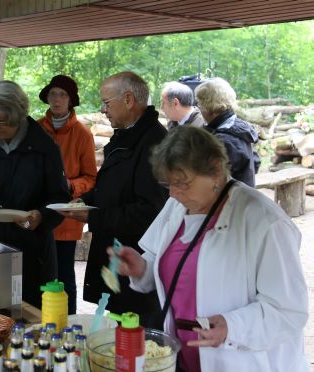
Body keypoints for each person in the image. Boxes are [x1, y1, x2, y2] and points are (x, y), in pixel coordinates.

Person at [113, 126, 308, 372]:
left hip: (245, 363)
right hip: (183, 359)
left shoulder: (265, 222)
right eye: (168, 183)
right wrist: (141, 268)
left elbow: (289, 310)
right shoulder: (178, 206)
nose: (173, 193)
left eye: (182, 182)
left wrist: (232, 326)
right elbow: (163, 263)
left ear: (216, 170)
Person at [61, 71, 168, 328]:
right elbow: (113, 188)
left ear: (129, 99)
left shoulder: (154, 143)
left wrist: (94, 216)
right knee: (117, 328)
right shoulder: (127, 136)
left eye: (107, 103)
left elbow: (149, 211)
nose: (103, 109)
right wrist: (86, 200)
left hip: (137, 262)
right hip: (117, 258)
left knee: (135, 334)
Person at [0, 81, 70, 307]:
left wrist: (39, 216)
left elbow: (60, 199)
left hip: (30, 247)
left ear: (18, 115)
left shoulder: (44, 148)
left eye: (2, 121)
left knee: (28, 318)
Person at [36, 75, 96, 315]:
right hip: (37, 213)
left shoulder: (83, 134)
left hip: (66, 215)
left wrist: (69, 187)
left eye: (62, 94)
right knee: (38, 274)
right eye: (53, 94)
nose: (57, 99)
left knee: (64, 277)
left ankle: (68, 324)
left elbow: (91, 178)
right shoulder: (36, 129)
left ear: (71, 100)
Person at [195, 77, 259, 187]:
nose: (199, 110)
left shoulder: (224, 141)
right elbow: (256, 161)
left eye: (200, 105)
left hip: (231, 201)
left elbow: (209, 182)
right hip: (242, 196)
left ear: (209, 106)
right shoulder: (238, 126)